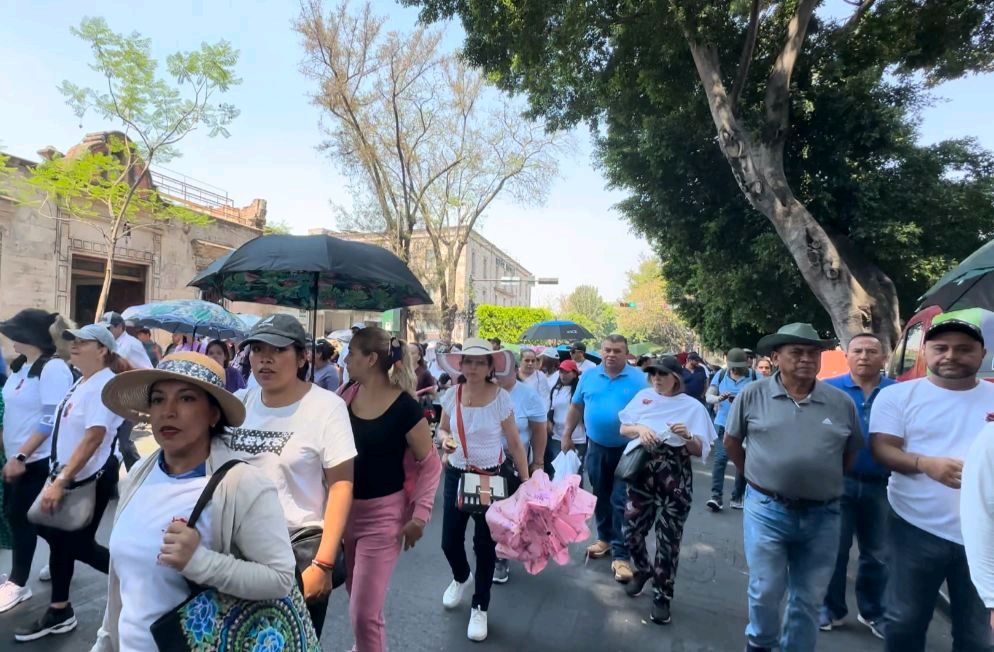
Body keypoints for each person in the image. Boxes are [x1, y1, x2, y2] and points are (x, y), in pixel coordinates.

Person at [91, 352, 299, 652]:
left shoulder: (242, 485)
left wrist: (199, 562)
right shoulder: (138, 475)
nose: (168, 412)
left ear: (214, 414)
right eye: (159, 399)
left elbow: (279, 579)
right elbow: (126, 586)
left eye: (186, 399)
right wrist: (105, 641)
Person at [724, 323, 861, 652]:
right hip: (767, 510)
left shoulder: (840, 402)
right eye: (796, 352)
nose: (806, 359)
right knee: (766, 589)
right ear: (776, 357)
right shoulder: (752, 395)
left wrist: (819, 481)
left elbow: (850, 452)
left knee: (808, 599)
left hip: (824, 515)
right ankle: (760, 643)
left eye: (813, 353)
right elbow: (731, 442)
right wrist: (757, 478)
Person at [225, 314, 357, 636]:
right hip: (237, 553)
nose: (265, 359)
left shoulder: (327, 408)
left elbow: (341, 485)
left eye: (278, 349)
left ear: (302, 357)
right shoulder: (240, 402)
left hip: (297, 554)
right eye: (257, 348)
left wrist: (323, 565)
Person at [870, 313, 994, 651]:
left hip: (984, 537)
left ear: (982, 354)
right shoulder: (897, 396)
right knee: (903, 622)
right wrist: (926, 464)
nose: (951, 356)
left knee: (980, 637)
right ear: (925, 351)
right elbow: (882, 448)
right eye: (941, 348)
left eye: (964, 349)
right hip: (914, 527)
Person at [14, 324, 129, 642]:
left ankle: (136, 580)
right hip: (68, 476)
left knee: (74, 543)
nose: (74, 346)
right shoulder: (83, 381)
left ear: (103, 350)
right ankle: (60, 609)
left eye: (82, 342)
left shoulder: (104, 385)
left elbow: (94, 437)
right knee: (58, 537)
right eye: (73, 341)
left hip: (87, 480)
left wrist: (60, 480)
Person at [342, 327, 442, 651]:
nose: (345, 359)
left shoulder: (405, 408)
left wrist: (421, 517)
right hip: (344, 515)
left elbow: (430, 463)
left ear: (371, 359)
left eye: (352, 353)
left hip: (383, 518)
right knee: (358, 599)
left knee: (363, 613)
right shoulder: (345, 394)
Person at [436, 338, 529, 642]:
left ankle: (480, 605)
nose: (473, 367)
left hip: (490, 476)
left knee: (484, 544)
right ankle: (462, 577)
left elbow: (515, 442)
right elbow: (443, 428)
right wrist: (445, 440)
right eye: (468, 361)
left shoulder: (501, 398)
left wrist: (527, 481)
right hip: (457, 474)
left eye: (480, 362)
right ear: (460, 365)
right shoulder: (452, 394)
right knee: (449, 540)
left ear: (491, 367)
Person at [619, 356, 716, 625]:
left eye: (662, 374)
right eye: (653, 374)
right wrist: (640, 429)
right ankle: (643, 569)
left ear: (676, 377)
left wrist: (687, 436)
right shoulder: (643, 397)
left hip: (674, 473)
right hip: (641, 469)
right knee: (631, 529)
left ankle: (662, 595)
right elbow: (624, 427)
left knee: (668, 540)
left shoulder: (693, 407)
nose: (657, 379)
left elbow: (700, 450)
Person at [818, 333, 895, 638]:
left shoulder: (897, 392)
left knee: (878, 552)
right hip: (839, 482)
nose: (864, 356)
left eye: (872, 351)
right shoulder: (829, 390)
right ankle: (831, 608)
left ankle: (873, 611)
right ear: (847, 356)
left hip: (883, 484)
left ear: (883, 357)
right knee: (834, 550)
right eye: (858, 351)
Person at [0, 310, 76, 615]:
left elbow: (49, 419)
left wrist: (20, 456)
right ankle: (63, 555)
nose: (9, 337)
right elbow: (11, 411)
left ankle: (18, 584)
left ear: (30, 337)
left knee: (20, 517)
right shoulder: (20, 366)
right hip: (15, 459)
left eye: (15, 332)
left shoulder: (53, 368)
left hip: (38, 461)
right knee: (30, 520)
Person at [563, 334, 647, 583]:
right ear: (601, 351)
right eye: (607, 350)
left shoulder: (640, 379)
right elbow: (576, 407)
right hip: (596, 447)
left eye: (617, 351)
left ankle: (621, 555)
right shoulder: (588, 376)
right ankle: (605, 538)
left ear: (626, 353)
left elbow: (651, 410)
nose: (611, 354)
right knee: (599, 493)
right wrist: (567, 434)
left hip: (628, 449)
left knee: (620, 499)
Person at [493, 356, 547, 584]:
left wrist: (538, 462)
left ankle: (500, 559)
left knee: (506, 514)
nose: (497, 375)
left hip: (514, 464)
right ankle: (488, 552)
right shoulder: (485, 391)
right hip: (484, 463)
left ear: (514, 370)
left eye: (503, 370)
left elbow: (539, 430)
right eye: (495, 370)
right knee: (487, 511)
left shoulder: (528, 396)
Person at [705, 348, 758, 512]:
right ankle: (716, 497)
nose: (734, 370)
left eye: (738, 366)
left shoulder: (754, 376)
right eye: (732, 366)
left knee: (741, 461)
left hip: (746, 426)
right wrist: (718, 398)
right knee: (720, 460)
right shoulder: (721, 375)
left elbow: (765, 395)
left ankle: (737, 496)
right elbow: (709, 395)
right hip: (724, 424)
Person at [102, 312, 153, 472]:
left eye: (109, 328)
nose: (107, 331)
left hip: (129, 396)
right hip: (115, 396)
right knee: (112, 442)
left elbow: (147, 370)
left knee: (123, 442)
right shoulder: (112, 343)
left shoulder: (130, 344)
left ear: (119, 326)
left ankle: (137, 473)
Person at [545, 359, 586, 479]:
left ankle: (577, 497)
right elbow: (552, 409)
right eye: (561, 372)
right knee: (558, 471)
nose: (563, 375)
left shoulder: (580, 392)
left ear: (574, 373)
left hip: (577, 438)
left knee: (574, 473)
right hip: (557, 436)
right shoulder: (556, 390)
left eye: (567, 372)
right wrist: (549, 422)